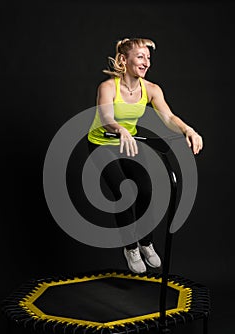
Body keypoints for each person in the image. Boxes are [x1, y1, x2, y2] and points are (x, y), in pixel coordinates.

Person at [87, 37, 203, 274]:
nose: (146, 62)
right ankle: (130, 247)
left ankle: (145, 242)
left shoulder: (151, 90)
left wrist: (188, 129)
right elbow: (107, 118)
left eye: (148, 58)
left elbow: (169, 118)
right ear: (123, 59)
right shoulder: (108, 87)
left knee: (146, 189)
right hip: (102, 143)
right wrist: (120, 129)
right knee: (123, 191)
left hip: (129, 143)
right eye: (140, 56)